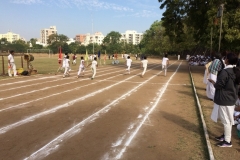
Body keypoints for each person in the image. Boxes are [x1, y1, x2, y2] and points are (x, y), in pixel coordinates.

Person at [209, 53, 240, 147]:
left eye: (225, 58)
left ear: (227, 60)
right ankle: (225, 136)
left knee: (226, 120)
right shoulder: (237, 71)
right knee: (228, 119)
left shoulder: (225, 72)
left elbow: (219, 85)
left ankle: (227, 141)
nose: (224, 59)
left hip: (224, 99)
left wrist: (213, 82)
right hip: (231, 99)